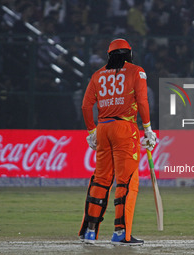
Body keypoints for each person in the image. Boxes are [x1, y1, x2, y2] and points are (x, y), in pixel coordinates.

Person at [78, 38, 157, 246]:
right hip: (125, 128)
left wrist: (91, 131)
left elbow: (86, 106)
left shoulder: (97, 75)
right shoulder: (136, 71)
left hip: (103, 128)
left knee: (101, 179)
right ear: (129, 54)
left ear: (109, 55)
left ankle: (90, 232)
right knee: (126, 181)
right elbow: (142, 100)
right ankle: (121, 233)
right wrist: (147, 129)